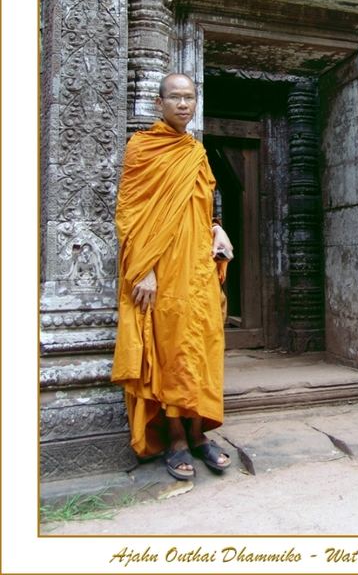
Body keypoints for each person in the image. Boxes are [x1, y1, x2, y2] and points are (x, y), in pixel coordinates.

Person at [111, 73, 234, 481]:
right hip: (160, 271)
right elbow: (130, 213)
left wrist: (219, 229)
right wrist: (142, 269)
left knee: (202, 346)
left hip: (198, 268)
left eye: (189, 97)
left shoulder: (196, 152)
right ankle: (177, 438)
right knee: (169, 352)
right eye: (175, 98)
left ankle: (200, 435)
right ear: (159, 102)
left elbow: (203, 205)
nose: (183, 104)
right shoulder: (142, 148)